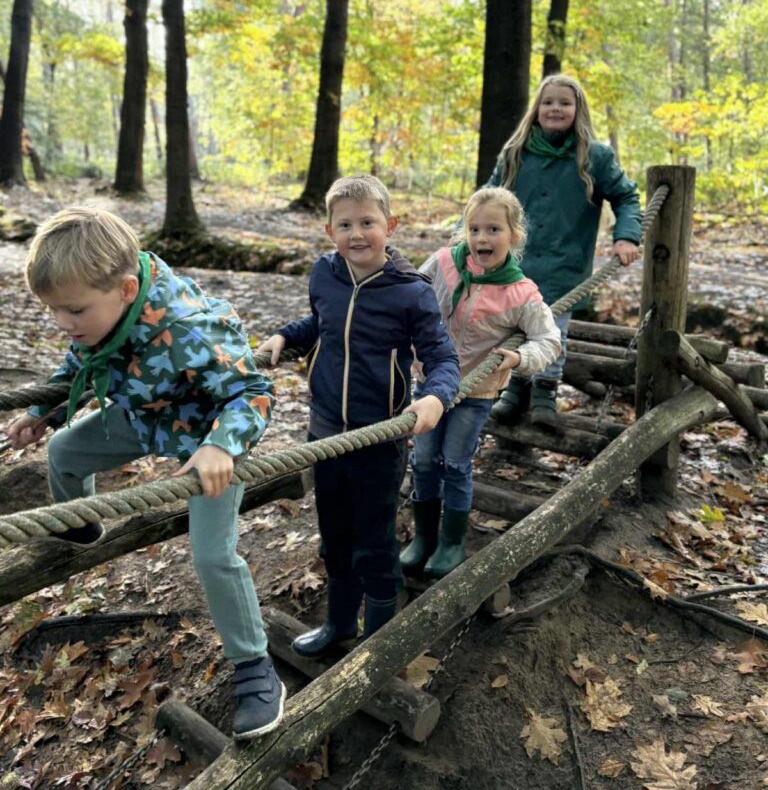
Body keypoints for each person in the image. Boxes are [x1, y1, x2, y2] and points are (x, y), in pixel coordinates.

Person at [4, 207, 284, 740]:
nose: (63, 322)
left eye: (73, 310)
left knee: (213, 555)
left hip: (209, 434)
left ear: (127, 289)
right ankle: (81, 525)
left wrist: (221, 446)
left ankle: (254, 666)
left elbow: (255, 392)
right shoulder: (100, 305)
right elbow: (82, 360)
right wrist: (44, 411)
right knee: (64, 451)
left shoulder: (186, 330)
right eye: (54, 310)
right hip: (145, 415)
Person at [258, 175, 460, 657]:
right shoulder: (324, 274)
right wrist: (286, 336)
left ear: (391, 225)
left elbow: (442, 357)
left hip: (379, 438)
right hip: (325, 433)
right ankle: (340, 623)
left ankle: (379, 641)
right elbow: (321, 323)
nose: (357, 234)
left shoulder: (410, 291)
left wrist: (435, 397)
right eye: (345, 225)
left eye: (368, 222)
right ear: (330, 231)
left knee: (374, 540)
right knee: (334, 536)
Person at [401, 187, 561, 578]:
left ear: (514, 235)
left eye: (493, 229)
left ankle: (452, 542)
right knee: (423, 459)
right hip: (430, 384)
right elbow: (410, 292)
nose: (482, 238)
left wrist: (520, 358)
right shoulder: (443, 263)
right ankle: (424, 537)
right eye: (474, 229)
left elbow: (549, 339)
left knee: (455, 462)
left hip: (476, 391)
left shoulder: (520, 293)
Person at [486, 74, 642, 427]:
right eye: (548, 102)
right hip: (516, 262)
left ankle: (545, 392)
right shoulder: (516, 154)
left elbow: (626, 197)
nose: (555, 108)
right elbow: (487, 197)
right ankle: (514, 391)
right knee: (514, 326)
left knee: (552, 329)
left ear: (577, 109)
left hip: (565, 264)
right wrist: (463, 237)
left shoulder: (594, 157)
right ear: (537, 109)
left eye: (564, 103)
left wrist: (627, 237)